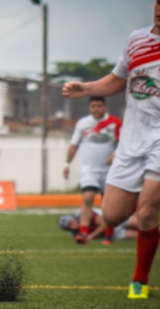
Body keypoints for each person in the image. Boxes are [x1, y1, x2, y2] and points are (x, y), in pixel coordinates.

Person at [62, 0, 160, 299]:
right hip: (132, 141)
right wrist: (86, 87)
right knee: (114, 215)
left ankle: (139, 282)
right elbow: (118, 79)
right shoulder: (137, 40)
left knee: (145, 213)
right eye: (159, 2)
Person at [63, 96, 121, 245]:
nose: (96, 109)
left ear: (105, 107)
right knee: (87, 198)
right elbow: (73, 144)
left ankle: (108, 235)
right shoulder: (83, 123)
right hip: (90, 170)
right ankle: (83, 232)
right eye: (93, 106)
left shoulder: (115, 123)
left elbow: (125, 144)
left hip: (110, 170)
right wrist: (66, 164)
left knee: (107, 204)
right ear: (90, 108)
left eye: (99, 106)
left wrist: (115, 155)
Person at [58, 209, 138, 242]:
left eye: (71, 223)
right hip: (114, 233)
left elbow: (105, 223)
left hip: (115, 217)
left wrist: (91, 236)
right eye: (69, 228)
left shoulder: (83, 214)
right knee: (141, 235)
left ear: (72, 218)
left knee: (142, 225)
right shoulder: (76, 234)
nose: (72, 226)